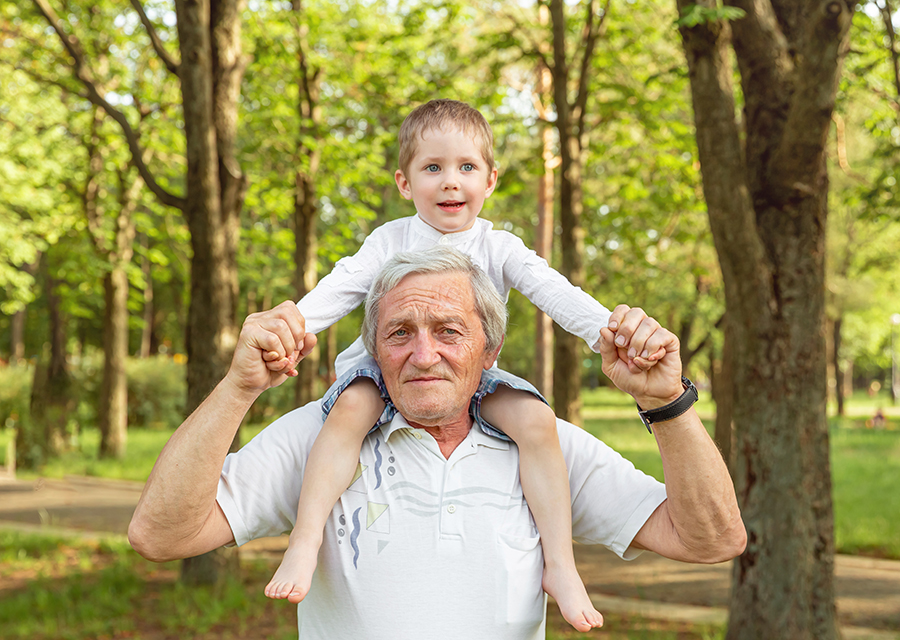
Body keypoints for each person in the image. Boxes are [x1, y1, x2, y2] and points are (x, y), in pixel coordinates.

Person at [128, 246, 746, 640]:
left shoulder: (543, 445)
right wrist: (239, 388)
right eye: (399, 333)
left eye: (449, 330)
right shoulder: (322, 438)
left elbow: (711, 537)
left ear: (491, 351)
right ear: (372, 352)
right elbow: (161, 534)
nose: (423, 355)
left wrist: (665, 402)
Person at [266, 99, 647, 631]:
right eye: (433, 168)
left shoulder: (499, 245)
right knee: (351, 410)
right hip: (385, 368)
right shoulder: (391, 240)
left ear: (490, 180)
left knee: (536, 420)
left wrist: (611, 333)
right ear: (404, 183)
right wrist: (294, 327)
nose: (451, 182)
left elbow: (554, 292)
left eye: (466, 168)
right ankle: (304, 544)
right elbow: (346, 283)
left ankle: (561, 566)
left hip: (471, 373)